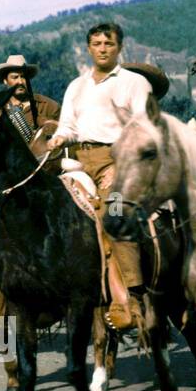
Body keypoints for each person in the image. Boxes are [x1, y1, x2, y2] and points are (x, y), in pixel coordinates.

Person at [45, 22, 154, 333]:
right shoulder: (76, 86)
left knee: (115, 214)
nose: (103, 48)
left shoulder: (133, 83)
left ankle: (131, 297)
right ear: (88, 48)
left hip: (117, 160)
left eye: (109, 43)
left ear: (119, 47)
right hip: (79, 160)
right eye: (96, 43)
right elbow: (68, 126)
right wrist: (58, 139)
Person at [0, 54, 61, 149]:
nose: (20, 82)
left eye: (23, 77)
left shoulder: (48, 106)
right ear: (5, 80)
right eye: (15, 77)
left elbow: (66, 136)